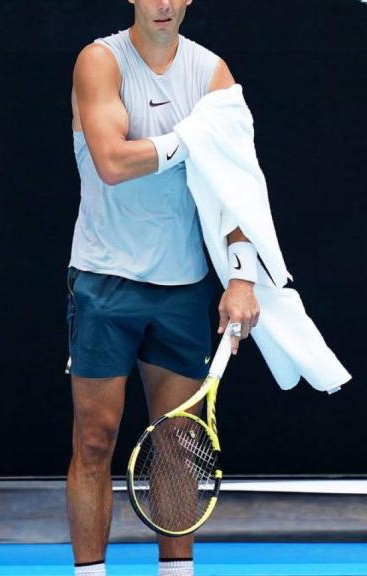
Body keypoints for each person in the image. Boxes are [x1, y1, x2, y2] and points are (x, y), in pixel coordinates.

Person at [66, 1, 261, 575]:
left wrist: (243, 275)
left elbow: (235, 185)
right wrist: (193, 138)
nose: (164, 4)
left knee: (177, 444)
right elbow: (112, 161)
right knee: (95, 441)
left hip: (181, 288)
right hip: (105, 281)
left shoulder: (212, 74)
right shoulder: (100, 61)